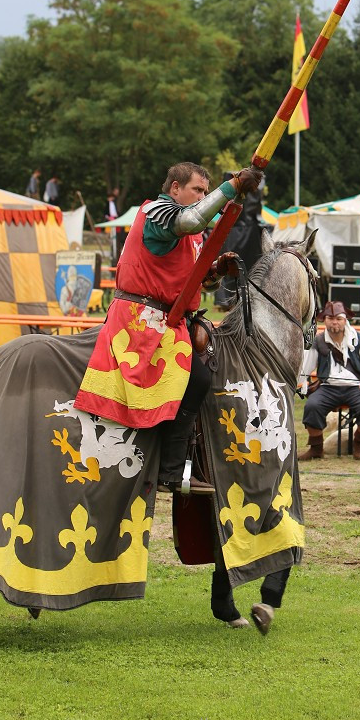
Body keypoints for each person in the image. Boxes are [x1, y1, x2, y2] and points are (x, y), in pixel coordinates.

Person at [73, 160, 263, 493]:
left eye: (206, 190)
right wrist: (231, 186)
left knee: (208, 369)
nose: (203, 196)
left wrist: (217, 269)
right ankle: (171, 471)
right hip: (140, 319)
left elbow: (194, 281)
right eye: (197, 190)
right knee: (197, 378)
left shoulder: (188, 234)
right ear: (175, 188)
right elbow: (190, 220)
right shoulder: (158, 213)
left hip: (169, 320)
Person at [297, 300, 360, 461]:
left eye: (338, 318)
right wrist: (300, 383)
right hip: (328, 387)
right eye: (330, 318)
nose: (334, 322)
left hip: (357, 388)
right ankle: (316, 449)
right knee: (312, 406)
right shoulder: (319, 341)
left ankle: (358, 444)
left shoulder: (359, 340)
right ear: (324, 320)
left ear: (345, 320)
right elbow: (305, 368)